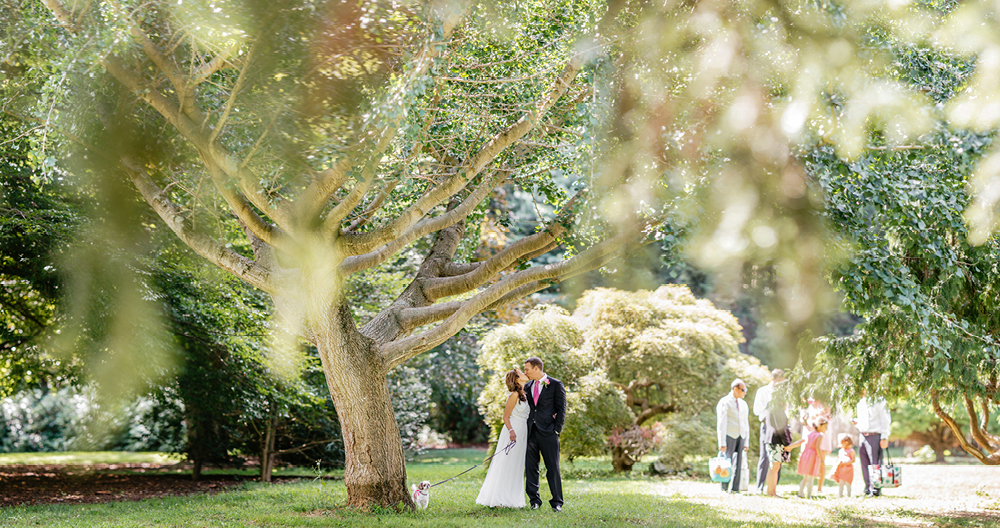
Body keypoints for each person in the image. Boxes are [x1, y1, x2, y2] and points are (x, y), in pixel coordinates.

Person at [476, 368, 530, 508]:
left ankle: (511, 499)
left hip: (522, 430)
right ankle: (498, 499)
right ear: (517, 379)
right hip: (513, 431)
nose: (525, 374)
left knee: (516, 465)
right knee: (507, 463)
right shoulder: (514, 395)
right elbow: (505, 416)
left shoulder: (523, 394)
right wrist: (511, 431)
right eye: (521, 373)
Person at [523, 357, 566, 512]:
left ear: (537, 368)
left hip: (548, 432)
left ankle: (557, 502)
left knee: (552, 467)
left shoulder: (555, 384)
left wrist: (556, 429)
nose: (525, 372)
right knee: (530, 468)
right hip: (530, 433)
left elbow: (561, 409)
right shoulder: (527, 386)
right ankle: (534, 501)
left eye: (527, 369)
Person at [764, 383, 806, 497]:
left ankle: (772, 492)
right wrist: (788, 443)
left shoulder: (771, 407)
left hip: (772, 440)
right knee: (774, 467)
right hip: (775, 441)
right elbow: (780, 428)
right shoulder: (777, 410)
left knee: (775, 467)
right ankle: (771, 493)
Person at [753, 369, 786, 492]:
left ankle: (773, 487)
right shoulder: (762, 391)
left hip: (780, 426)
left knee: (778, 457)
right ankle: (759, 487)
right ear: (773, 378)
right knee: (764, 456)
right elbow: (757, 410)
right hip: (766, 426)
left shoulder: (784, 393)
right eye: (779, 382)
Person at [716, 379, 750, 493]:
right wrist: (722, 442)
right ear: (735, 389)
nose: (745, 392)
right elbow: (721, 423)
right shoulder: (724, 402)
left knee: (739, 464)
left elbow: (746, 423)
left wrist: (746, 442)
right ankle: (724, 488)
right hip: (729, 435)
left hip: (741, 436)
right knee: (726, 463)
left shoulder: (743, 404)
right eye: (743, 390)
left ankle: (735, 489)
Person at [854, 393, 891, 496]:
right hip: (863, 435)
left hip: (875, 435)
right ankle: (867, 487)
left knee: (875, 463)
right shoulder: (861, 401)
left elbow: (885, 419)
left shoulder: (879, 400)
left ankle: (876, 488)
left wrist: (884, 436)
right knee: (864, 463)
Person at [803, 398, 832, 493]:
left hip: (823, 436)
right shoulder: (810, 405)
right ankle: (808, 485)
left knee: (822, 463)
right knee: (810, 462)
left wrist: (817, 414)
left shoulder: (825, 402)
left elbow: (826, 414)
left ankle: (820, 487)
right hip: (812, 435)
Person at [796, 417, 828, 498]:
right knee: (811, 477)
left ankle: (800, 493)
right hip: (813, 456)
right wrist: (822, 459)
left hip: (806, 454)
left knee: (805, 477)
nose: (826, 429)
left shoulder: (810, 433)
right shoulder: (820, 435)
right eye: (825, 427)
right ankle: (809, 495)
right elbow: (818, 447)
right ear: (819, 426)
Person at [831, 433, 856, 498]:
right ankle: (840, 495)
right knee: (841, 483)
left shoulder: (851, 451)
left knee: (848, 483)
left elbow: (853, 460)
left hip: (848, 469)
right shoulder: (841, 451)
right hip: (841, 470)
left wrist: (844, 463)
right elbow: (838, 459)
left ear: (847, 442)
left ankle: (849, 495)